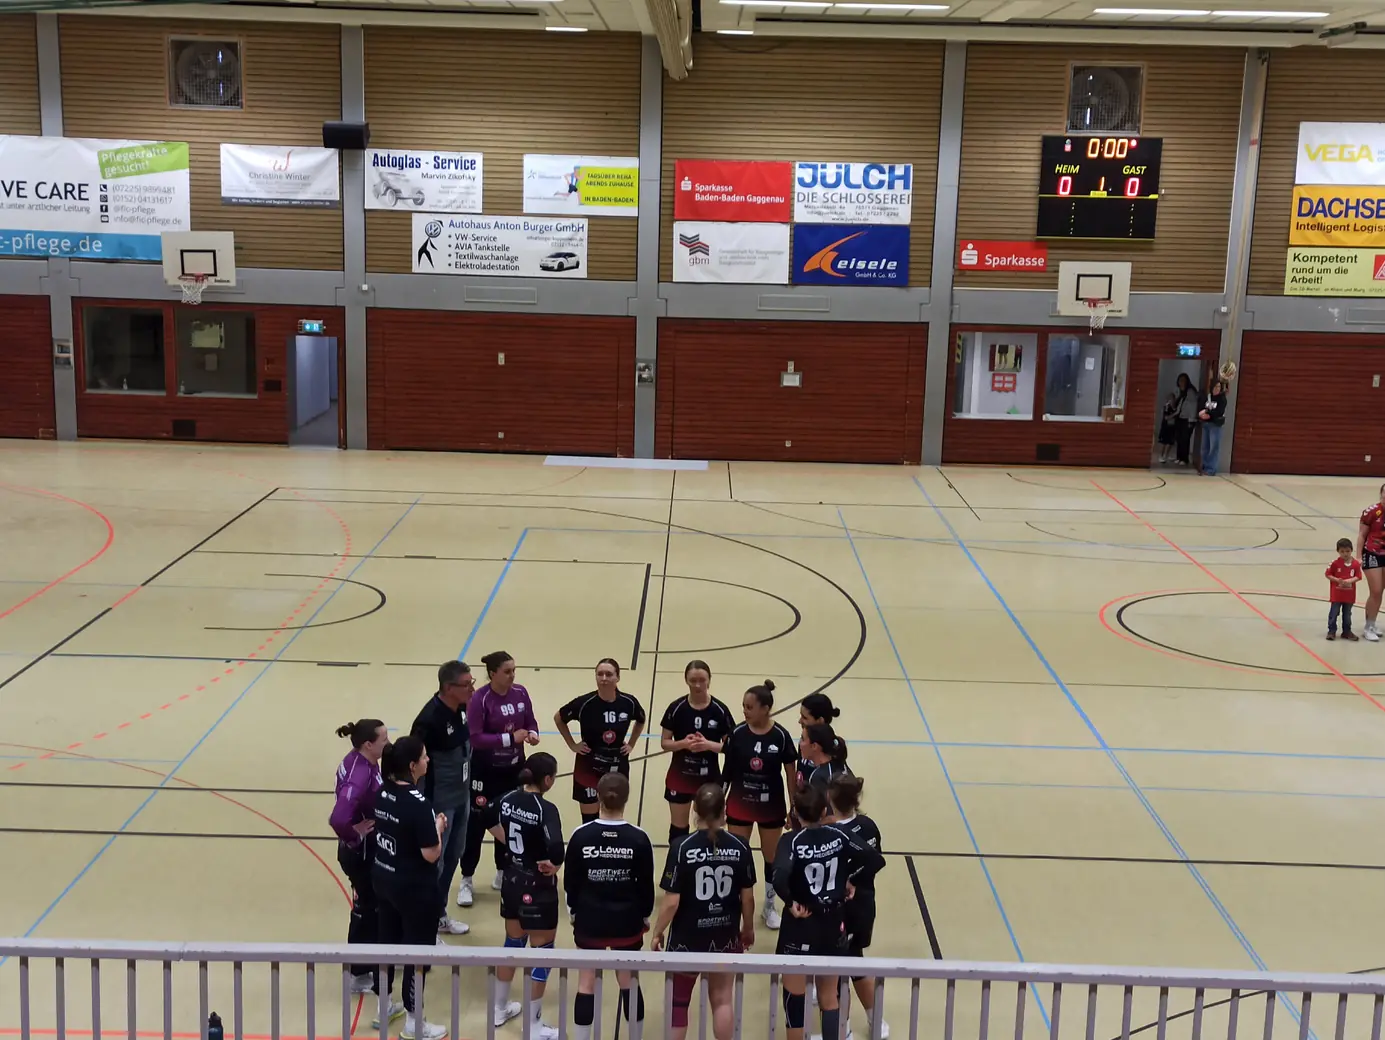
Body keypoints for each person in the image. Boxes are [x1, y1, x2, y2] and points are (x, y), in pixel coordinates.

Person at [773, 785, 886, 1040]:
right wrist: (851, 879)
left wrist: (791, 902)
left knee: (795, 997)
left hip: (800, 925)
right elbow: (874, 859)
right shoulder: (839, 834)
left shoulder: (791, 841)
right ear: (824, 811)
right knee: (828, 995)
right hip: (833, 922)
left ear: (796, 813)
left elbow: (778, 877)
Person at [650, 784, 757, 1040]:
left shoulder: (681, 847)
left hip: (687, 940)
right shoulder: (741, 846)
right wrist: (748, 929)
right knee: (722, 1000)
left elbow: (671, 902)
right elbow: (748, 898)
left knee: (678, 1003)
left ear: (695, 810)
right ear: (724, 811)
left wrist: (657, 932)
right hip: (725, 936)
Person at [565, 773, 656, 1040]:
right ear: (626, 799)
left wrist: (574, 912)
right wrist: (645, 916)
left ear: (597, 796)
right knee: (629, 983)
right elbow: (646, 886)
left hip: (590, 920)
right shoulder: (639, 838)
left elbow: (571, 882)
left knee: (586, 983)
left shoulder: (581, 835)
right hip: (626, 922)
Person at [373, 737, 450, 1040]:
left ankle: (383, 1007)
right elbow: (431, 853)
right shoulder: (418, 804)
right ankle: (414, 1022)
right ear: (412, 765)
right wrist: (438, 828)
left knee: (386, 944)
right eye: (424, 756)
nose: (428, 760)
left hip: (384, 878)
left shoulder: (382, 792)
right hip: (414, 890)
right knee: (418, 954)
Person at [488, 753, 565, 1039]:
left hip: (512, 881)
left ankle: (499, 1009)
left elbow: (486, 814)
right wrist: (553, 864)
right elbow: (556, 850)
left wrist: (509, 841)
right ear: (548, 780)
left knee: (512, 943)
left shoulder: (508, 798)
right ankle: (533, 1025)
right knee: (542, 952)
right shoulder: (546, 809)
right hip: (538, 887)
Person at [462, 650, 540, 903]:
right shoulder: (480, 699)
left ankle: (501, 871)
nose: (512, 675)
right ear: (492, 673)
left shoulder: (521, 693)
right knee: (476, 824)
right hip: (485, 771)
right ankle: (466, 879)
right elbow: (476, 738)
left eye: (514, 670)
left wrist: (533, 734)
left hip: (513, 770)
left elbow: (530, 721)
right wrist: (509, 738)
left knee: (508, 820)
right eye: (507, 671)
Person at [723, 680, 798, 930]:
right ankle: (734, 903)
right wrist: (720, 802)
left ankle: (769, 906)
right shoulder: (737, 733)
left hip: (770, 805)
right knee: (737, 854)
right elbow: (727, 771)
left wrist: (793, 807)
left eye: (750, 707)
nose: (744, 711)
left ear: (765, 709)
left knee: (771, 857)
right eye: (743, 706)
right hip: (740, 802)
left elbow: (790, 775)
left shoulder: (781, 736)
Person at [411, 661, 474, 936]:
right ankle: (423, 925)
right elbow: (413, 765)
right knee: (434, 864)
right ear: (448, 688)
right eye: (466, 684)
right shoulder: (428, 720)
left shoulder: (461, 708)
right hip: (439, 803)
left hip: (462, 798)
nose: (472, 689)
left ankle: (439, 915)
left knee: (452, 857)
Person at [825, 775, 888, 1040]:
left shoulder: (832, 835)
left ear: (830, 799)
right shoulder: (869, 825)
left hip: (843, 910)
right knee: (855, 959)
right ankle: (876, 1021)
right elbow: (875, 860)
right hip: (865, 905)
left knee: (841, 970)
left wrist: (848, 879)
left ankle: (844, 1029)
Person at [329, 719, 388, 998]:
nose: (388, 743)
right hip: (360, 853)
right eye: (384, 739)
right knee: (366, 908)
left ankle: (371, 961)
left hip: (367, 850)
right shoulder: (360, 774)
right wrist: (355, 835)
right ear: (368, 744)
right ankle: (359, 973)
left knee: (372, 905)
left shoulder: (363, 761)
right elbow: (339, 817)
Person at [554, 658, 647, 822]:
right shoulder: (585, 703)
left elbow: (641, 719)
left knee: (612, 816)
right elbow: (559, 718)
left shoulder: (628, 702)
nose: (604, 678)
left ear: (618, 677)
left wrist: (631, 743)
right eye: (600, 674)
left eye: (609, 674)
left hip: (616, 765)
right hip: (589, 764)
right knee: (589, 819)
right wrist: (572, 745)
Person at [660, 659, 736, 847]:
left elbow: (732, 748)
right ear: (686, 680)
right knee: (678, 828)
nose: (697, 685)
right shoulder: (676, 708)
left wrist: (708, 745)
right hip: (680, 776)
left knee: (709, 828)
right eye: (693, 680)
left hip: (709, 778)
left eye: (702, 680)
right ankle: (677, 859)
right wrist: (683, 744)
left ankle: (708, 858)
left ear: (709, 680)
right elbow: (665, 743)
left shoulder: (719, 710)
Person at [1360, 485, 1385, 642]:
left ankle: (1373, 623)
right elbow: (1362, 535)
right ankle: (1368, 627)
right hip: (1372, 553)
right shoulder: (1372, 512)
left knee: (1381, 591)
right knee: (1375, 590)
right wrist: (1358, 556)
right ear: (1381, 494)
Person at [1326, 537, 1364, 642]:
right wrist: (1337, 580)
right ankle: (1331, 631)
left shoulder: (1355, 564)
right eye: (1342, 551)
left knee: (1347, 615)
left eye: (1347, 551)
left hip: (1349, 596)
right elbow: (1328, 574)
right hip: (1337, 595)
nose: (1345, 554)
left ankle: (1347, 631)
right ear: (1338, 551)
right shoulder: (1334, 563)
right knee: (1334, 613)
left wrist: (1350, 581)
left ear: (1351, 550)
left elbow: (1359, 576)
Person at [799, 724, 851, 792]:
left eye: (803, 739)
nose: (800, 743)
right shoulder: (840, 762)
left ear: (814, 746)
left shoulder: (819, 777)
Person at [1198, 378, 1228, 477]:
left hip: (1215, 425)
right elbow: (1202, 407)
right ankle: (1204, 467)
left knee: (1213, 447)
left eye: (1219, 387)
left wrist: (1208, 413)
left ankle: (1211, 469)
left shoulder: (1222, 399)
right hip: (1206, 424)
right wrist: (1202, 414)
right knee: (1204, 448)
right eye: (1215, 387)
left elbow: (1219, 411)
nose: (1217, 389)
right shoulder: (1208, 397)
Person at [1172, 372, 1198, 467]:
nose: (1181, 383)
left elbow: (1192, 407)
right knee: (1179, 438)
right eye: (1180, 381)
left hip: (1188, 419)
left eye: (1183, 381)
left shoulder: (1190, 392)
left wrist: (1191, 420)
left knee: (1185, 439)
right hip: (1181, 418)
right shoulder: (1181, 392)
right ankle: (1179, 457)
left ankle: (1184, 458)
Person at [1158, 391, 1179, 465]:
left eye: (1173, 398)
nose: (1171, 400)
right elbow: (1166, 417)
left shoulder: (1175, 407)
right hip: (1166, 427)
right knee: (1163, 442)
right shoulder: (1167, 407)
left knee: (1170, 442)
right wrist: (1175, 414)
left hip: (1172, 427)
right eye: (1170, 399)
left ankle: (1166, 456)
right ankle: (1161, 456)